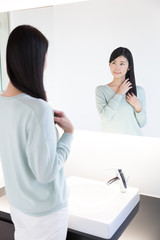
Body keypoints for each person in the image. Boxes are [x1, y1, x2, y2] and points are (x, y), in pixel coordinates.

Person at [0, 25, 74, 240]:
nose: (46, 64)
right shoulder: (37, 109)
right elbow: (46, 173)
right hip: (45, 215)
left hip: (18, 206)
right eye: (45, 58)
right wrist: (68, 134)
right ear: (35, 60)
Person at [95, 47, 147, 136]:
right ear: (109, 64)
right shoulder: (101, 90)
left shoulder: (138, 91)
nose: (117, 68)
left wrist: (138, 108)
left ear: (129, 67)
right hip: (109, 143)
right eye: (114, 63)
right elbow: (105, 117)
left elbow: (142, 123)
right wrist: (119, 93)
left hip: (134, 143)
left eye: (122, 64)